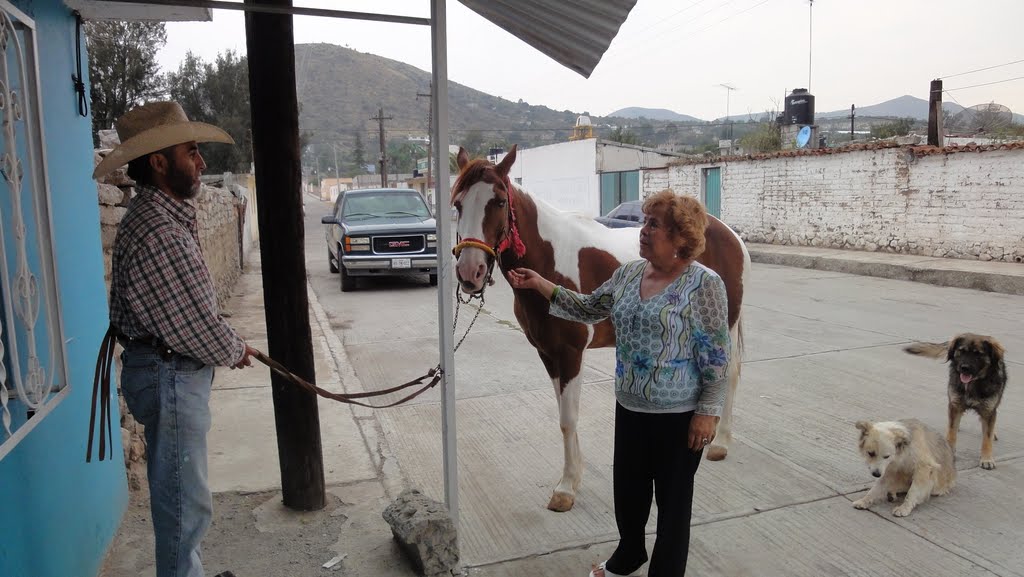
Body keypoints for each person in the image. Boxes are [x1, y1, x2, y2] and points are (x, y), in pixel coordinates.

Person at [507, 190, 731, 577]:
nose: (643, 231)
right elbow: (589, 307)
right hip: (630, 408)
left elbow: (715, 356)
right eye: (644, 221)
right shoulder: (629, 274)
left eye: (654, 224)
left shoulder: (704, 285)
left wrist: (708, 414)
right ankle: (629, 556)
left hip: (679, 418)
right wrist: (542, 284)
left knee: (673, 507)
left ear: (681, 237)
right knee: (628, 495)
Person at [93, 101, 255, 577]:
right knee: (184, 507)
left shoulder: (160, 217)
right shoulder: (159, 229)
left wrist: (224, 341)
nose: (201, 163)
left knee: (184, 500)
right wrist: (233, 348)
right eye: (191, 152)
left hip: (166, 371)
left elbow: (188, 315)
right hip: (169, 374)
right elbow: (193, 327)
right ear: (159, 163)